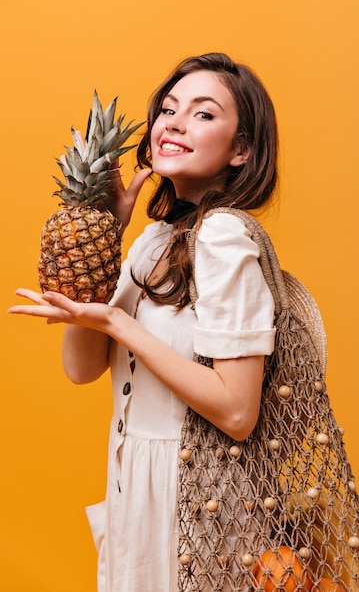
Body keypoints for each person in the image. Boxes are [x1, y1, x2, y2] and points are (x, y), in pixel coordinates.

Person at [9, 52, 279, 591]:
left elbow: (237, 410)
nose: (174, 123)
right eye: (168, 109)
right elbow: (82, 369)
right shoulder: (151, 239)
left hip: (198, 503)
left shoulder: (225, 238)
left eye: (203, 114)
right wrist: (104, 241)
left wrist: (118, 323)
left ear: (242, 150)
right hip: (136, 490)